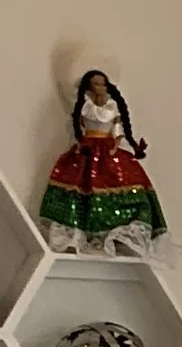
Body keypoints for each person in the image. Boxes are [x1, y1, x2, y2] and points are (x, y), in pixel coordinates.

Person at [39, 70, 169, 256]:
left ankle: (118, 235)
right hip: (87, 149)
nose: (99, 87)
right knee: (79, 186)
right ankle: (77, 233)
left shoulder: (112, 109)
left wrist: (116, 146)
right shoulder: (85, 108)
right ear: (89, 87)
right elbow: (81, 129)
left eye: (102, 84)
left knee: (120, 184)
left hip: (109, 150)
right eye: (95, 84)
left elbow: (117, 131)